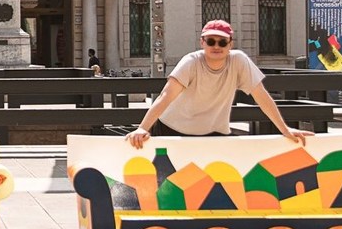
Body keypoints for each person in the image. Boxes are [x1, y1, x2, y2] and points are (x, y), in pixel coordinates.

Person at [125, 19, 313, 149]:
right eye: (211, 41)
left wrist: (285, 129)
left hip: (214, 133)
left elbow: (261, 96)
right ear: (202, 42)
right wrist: (143, 128)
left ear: (230, 44)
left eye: (222, 42)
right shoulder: (190, 62)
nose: (216, 46)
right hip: (173, 130)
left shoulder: (239, 61)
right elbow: (166, 95)